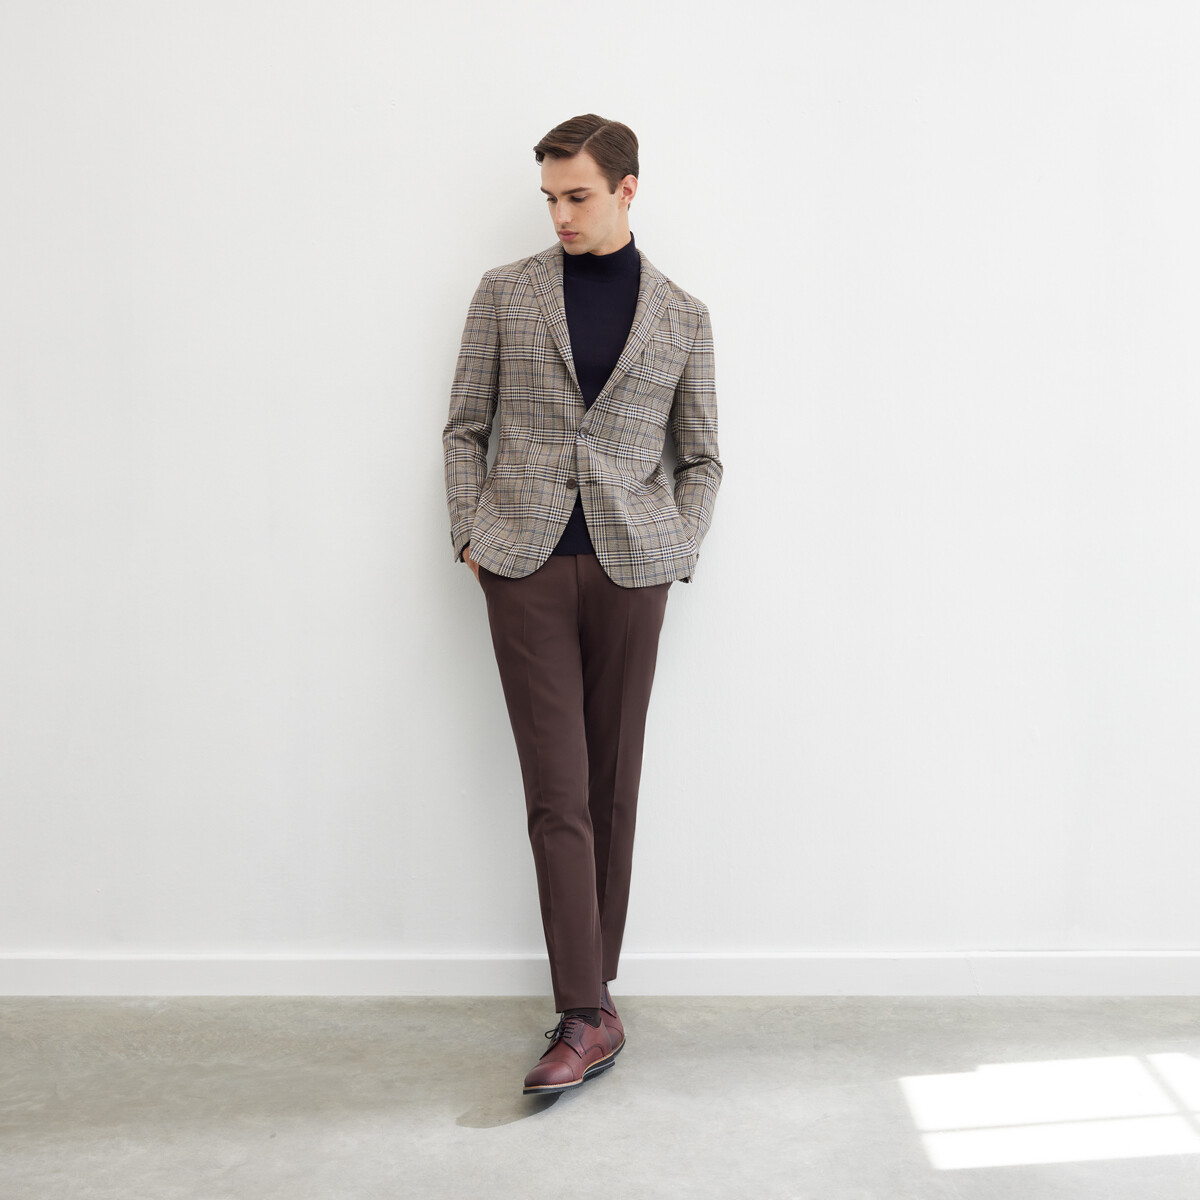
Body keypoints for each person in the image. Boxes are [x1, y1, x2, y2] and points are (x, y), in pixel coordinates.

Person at [441, 113, 722, 1096]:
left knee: (612, 787)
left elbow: (702, 456)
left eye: (579, 196)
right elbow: (464, 427)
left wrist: (678, 544)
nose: (561, 215)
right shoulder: (505, 293)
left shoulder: (682, 316)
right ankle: (584, 1011)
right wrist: (471, 535)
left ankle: (593, 1003)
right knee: (556, 791)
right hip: (522, 563)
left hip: (631, 570)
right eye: (550, 199)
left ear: (626, 189)